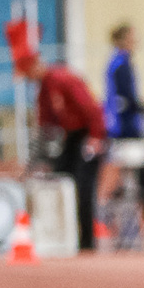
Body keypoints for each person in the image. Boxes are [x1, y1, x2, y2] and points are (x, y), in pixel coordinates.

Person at [22, 47, 104, 257]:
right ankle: (64, 237)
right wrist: (39, 160)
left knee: (83, 187)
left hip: (88, 135)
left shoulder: (64, 80)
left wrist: (95, 137)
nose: (26, 79)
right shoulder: (43, 89)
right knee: (58, 178)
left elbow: (91, 109)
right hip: (70, 138)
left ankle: (87, 240)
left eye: (26, 73)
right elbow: (45, 126)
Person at [103, 23, 144, 141]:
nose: (136, 42)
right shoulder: (121, 64)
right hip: (123, 123)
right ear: (123, 41)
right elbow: (126, 96)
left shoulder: (118, 61)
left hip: (122, 119)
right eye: (132, 38)